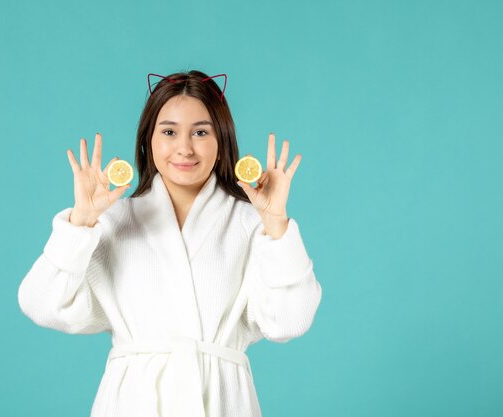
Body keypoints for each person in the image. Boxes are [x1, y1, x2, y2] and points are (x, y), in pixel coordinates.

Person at [17, 70, 323, 417]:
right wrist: (81, 221)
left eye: (201, 132)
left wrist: (277, 223)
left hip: (221, 403)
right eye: (169, 131)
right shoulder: (114, 222)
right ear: (148, 139)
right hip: (132, 403)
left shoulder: (253, 224)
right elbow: (40, 304)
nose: (185, 148)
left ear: (221, 139)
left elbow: (289, 321)